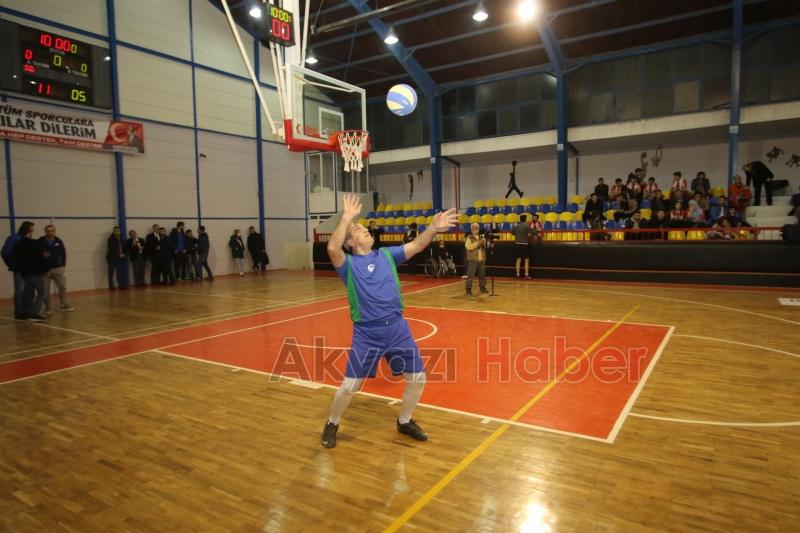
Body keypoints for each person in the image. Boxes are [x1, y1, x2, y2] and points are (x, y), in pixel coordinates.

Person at [320, 193, 458, 449]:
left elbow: (416, 245)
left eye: (363, 227)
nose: (366, 230)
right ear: (350, 242)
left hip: (397, 329)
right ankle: (332, 421)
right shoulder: (347, 265)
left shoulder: (387, 255)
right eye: (359, 230)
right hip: (367, 333)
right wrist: (347, 218)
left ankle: (404, 420)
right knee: (350, 386)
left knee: (418, 378)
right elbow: (331, 248)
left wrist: (432, 228)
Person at [14, 222, 48, 321]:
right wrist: (45, 269)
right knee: (42, 293)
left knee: (28, 293)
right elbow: (42, 258)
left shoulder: (18, 244)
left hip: (24, 273)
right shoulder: (35, 243)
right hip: (36, 272)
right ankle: (34, 313)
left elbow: (17, 258)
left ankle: (27, 311)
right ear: (30, 231)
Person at [40, 224, 73, 312]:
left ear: (54, 231)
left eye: (52, 231)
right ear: (45, 231)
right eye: (48, 231)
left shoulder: (58, 241)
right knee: (45, 290)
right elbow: (37, 255)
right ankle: (48, 307)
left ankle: (63, 304)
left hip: (58, 268)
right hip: (45, 270)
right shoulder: (40, 241)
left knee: (62, 287)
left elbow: (63, 253)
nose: (50, 233)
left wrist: (63, 265)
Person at [2, 221, 32, 319]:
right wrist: (12, 265)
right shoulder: (14, 238)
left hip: (27, 269)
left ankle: (27, 310)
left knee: (28, 289)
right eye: (31, 228)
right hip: (19, 269)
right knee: (20, 289)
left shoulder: (27, 239)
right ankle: (19, 312)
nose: (33, 230)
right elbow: (5, 252)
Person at [464, 222, 488, 295]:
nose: (475, 229)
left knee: (482, 275)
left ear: (478, 229)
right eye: (474, 228)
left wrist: (486, 243)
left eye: (476, 228)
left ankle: (482, 288)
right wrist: (478, 243)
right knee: (470, 275)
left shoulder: (481, 237)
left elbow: (487, 246)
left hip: (481, 259)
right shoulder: (469, 238)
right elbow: (468, 247)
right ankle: (468, 289)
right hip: (473, 260)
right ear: (471, 229)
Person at [513, 215, 533, 280]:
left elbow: (512, 233)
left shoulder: (516, 226)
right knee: (526, 260)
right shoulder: (526, 225)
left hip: (517, 244)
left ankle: (517, 275)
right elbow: (532, 232)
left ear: (520, 219)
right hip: (524, 244)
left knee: (518, 260)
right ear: (525, 219)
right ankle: (526, 275)